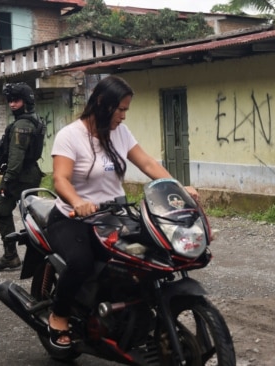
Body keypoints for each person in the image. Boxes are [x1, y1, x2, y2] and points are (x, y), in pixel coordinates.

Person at [45, 75, 198, 349]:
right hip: (72, 217)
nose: (124, 116)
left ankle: (132, 315)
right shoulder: (70, 136)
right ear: (102, 103)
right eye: (121, 109)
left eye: (126, 110)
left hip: (111, 216)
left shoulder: (120, 133)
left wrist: (177, 190)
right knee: (80, 263)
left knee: (143, 259)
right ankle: (59, 315)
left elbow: (148, 164)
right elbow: (61, 180)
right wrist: (78, 202)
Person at [0, 82, 44, 271]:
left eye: (16, 100)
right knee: (34, 214)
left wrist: (7, 181)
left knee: (1, 206)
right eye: (10, 101)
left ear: (26, 101)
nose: (12, 104)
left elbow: (16, 157)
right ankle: (43, 254)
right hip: (30, 173)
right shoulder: (32, 120)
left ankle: (11, 256)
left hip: (21, 176)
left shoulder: (21, 125)